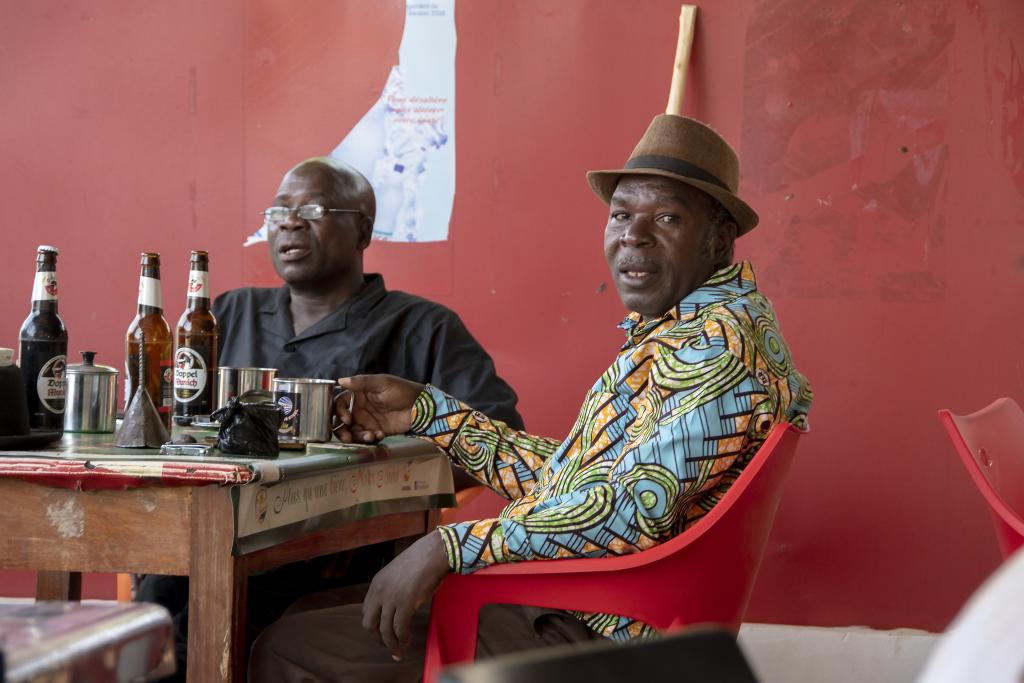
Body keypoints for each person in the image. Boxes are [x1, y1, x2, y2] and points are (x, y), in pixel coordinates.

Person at [249, 114, 814, 682]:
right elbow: (580, 485)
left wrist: (451, 544)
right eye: (621, 215)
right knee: (307, 613)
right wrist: (427, 413)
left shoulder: (715, 348)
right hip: (584, 600)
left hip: (597, 621)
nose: (633, 236)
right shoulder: (690, 329)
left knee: (287, 645)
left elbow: (627, 509)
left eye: (666, 218)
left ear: (718, 239)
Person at [137, 157, 523, 681]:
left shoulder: (422, 327)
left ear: (363, 228)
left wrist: (393, 479)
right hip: (207, 536)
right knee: (162, 591)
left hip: (346, 558)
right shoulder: (227, 313)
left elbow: (503, 435)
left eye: (312, 210)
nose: (289, 223)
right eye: (278, 211)